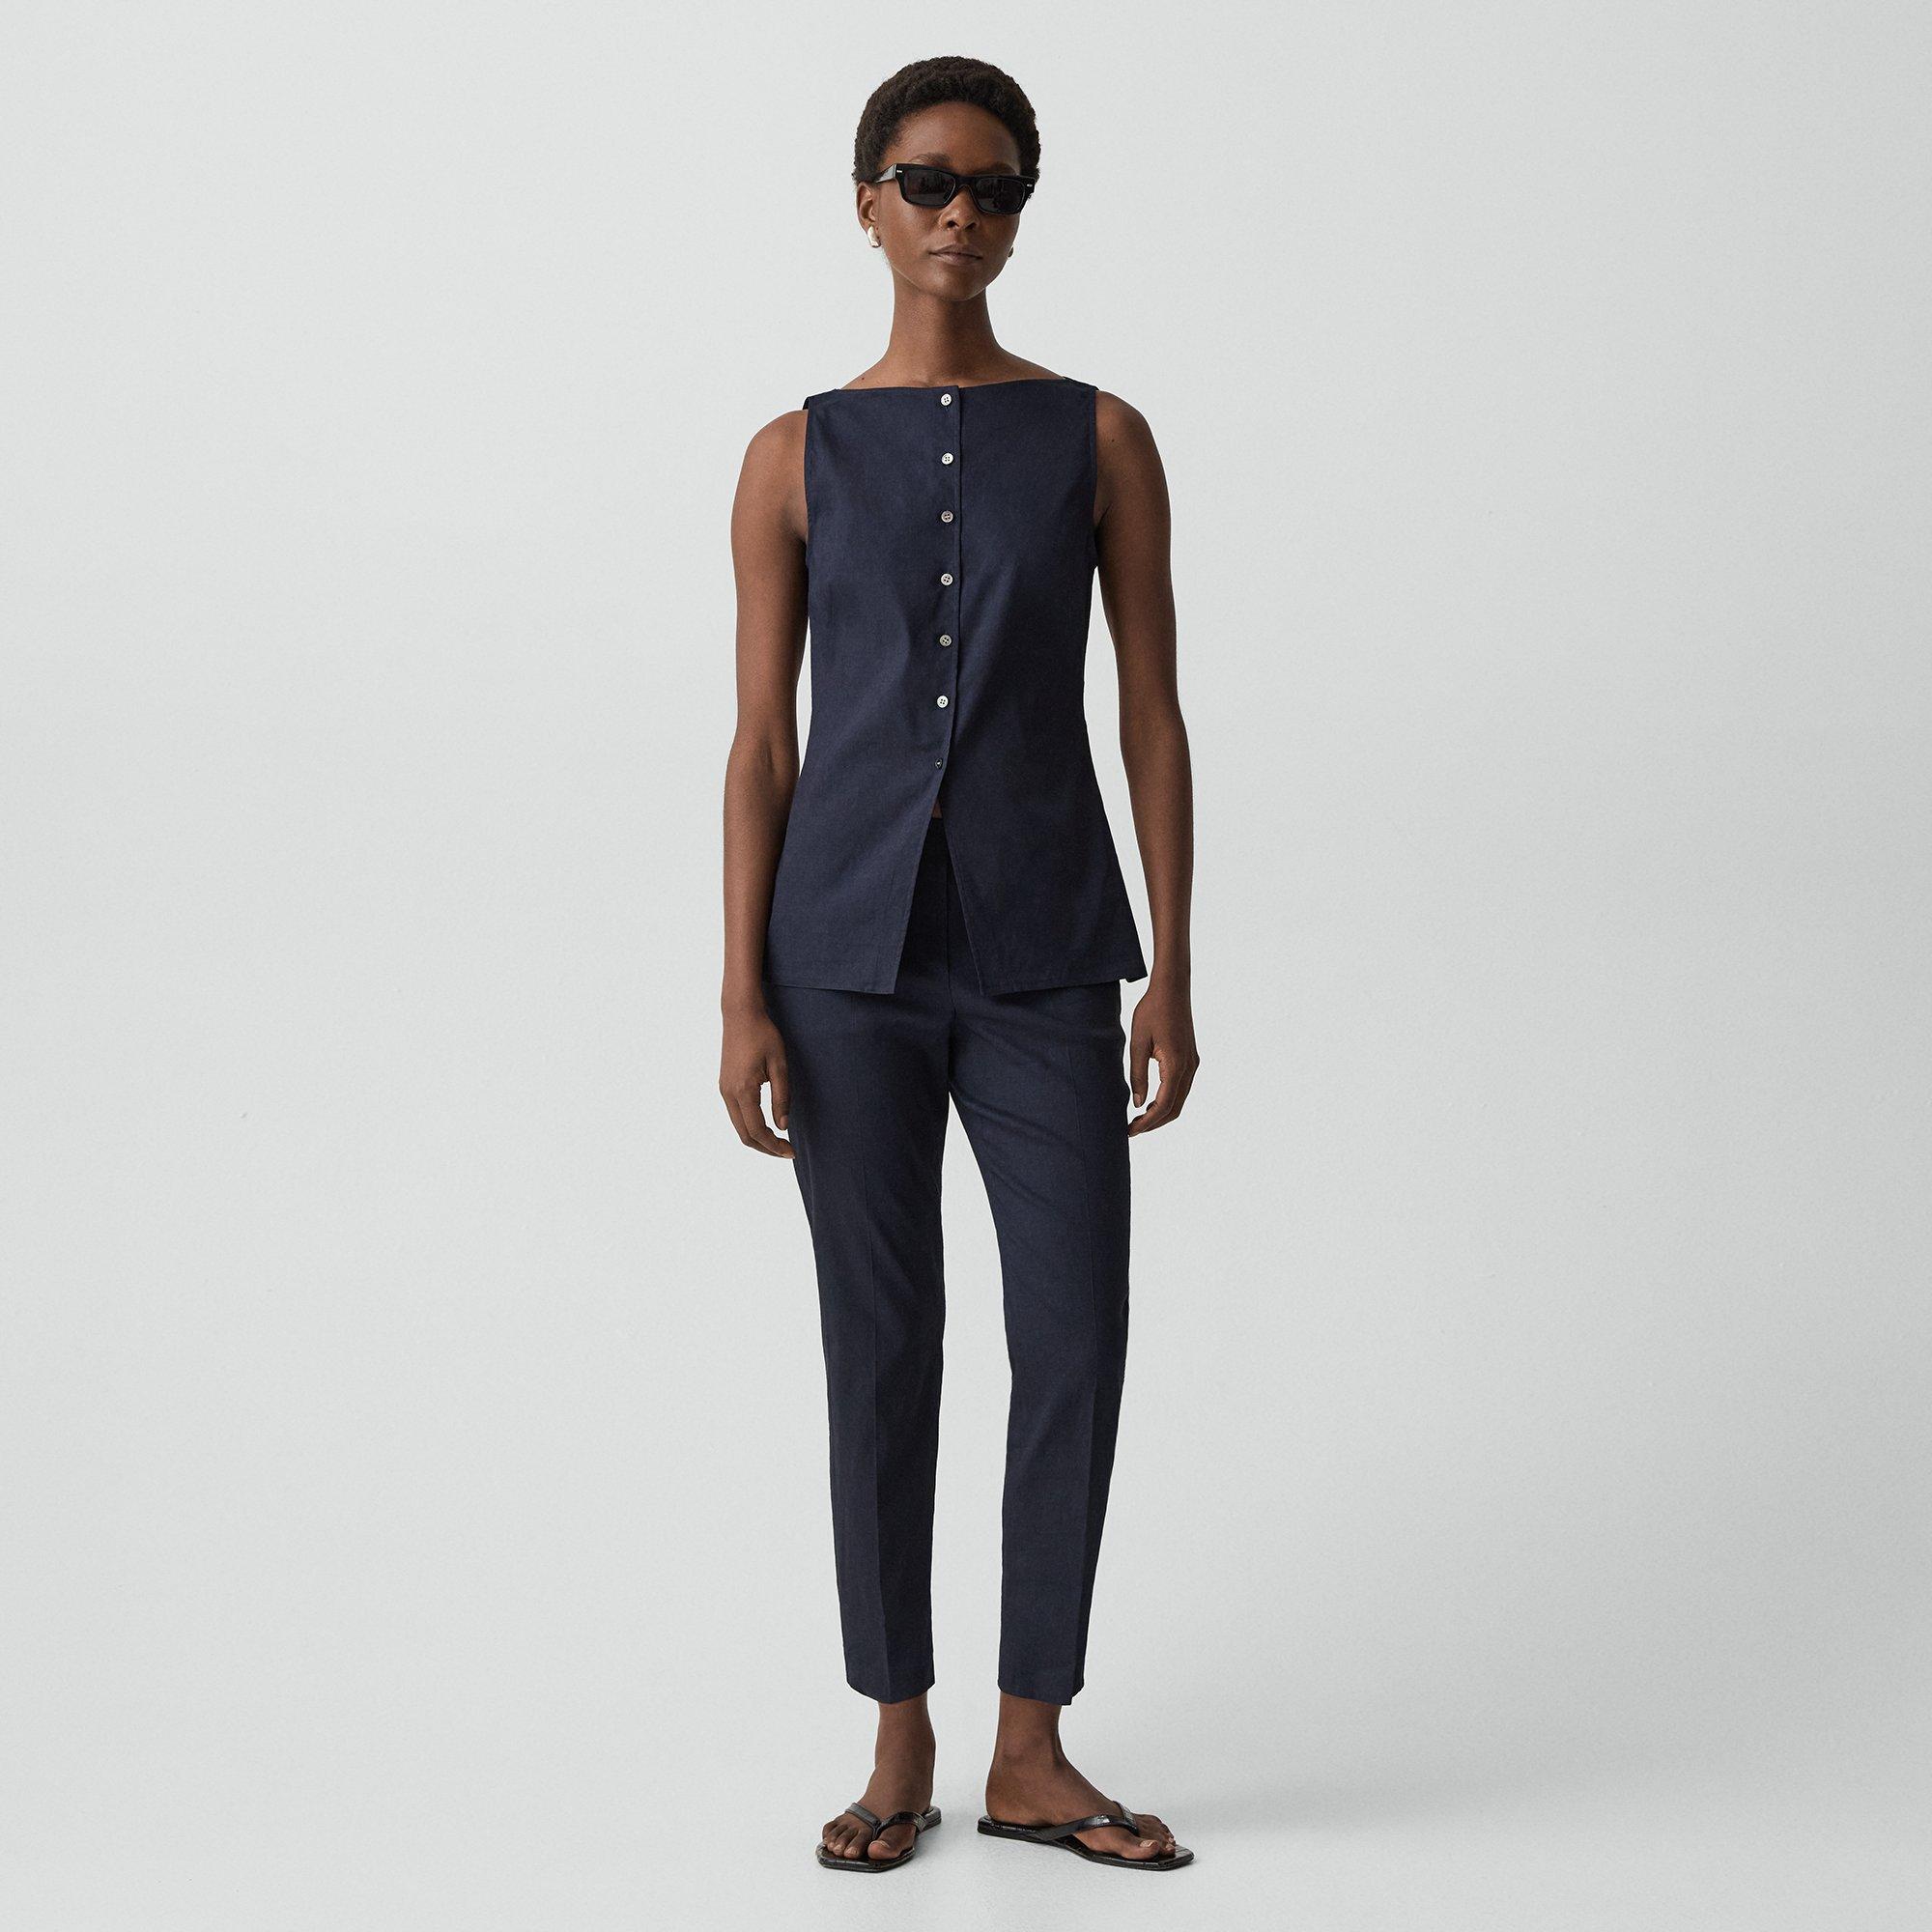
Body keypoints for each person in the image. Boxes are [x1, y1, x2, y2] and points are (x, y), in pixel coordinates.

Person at [719, 54, 1199, 1875]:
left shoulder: (1099, 438)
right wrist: (741, 991)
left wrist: (1172, 969)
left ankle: (1033, 1746)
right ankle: (897, 1732)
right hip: (839, 962)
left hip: (1048, 951)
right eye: (926, 180)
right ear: (867, 202)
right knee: (882, 1343)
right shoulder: (790, 458)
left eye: (995, 188)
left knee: (1073, 1330)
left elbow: (1150, 714)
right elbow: (760, 742)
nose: (960, 214)